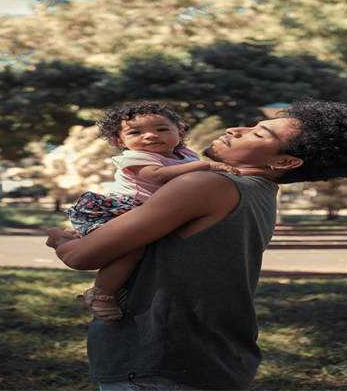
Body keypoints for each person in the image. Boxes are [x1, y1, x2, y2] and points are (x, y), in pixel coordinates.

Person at [46, 100, 347, 390]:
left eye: (258, 134)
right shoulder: (259, 191)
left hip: (156, 359)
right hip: (216, 355)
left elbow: (83, 256)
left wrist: (62, 240)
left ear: (284, 162)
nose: (235, 129)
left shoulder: (205, 184)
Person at [53, 101, 236, 320]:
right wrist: (206, 166)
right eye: (135, 132)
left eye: (162, 129)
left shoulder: (186, 155)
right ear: (119, 141)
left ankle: (70, 241)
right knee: (131, 251)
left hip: (158, 211)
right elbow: (157, 176)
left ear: (180, 131)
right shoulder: (136, 157)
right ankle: (101, 292)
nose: (150, 136)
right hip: (125, 209)